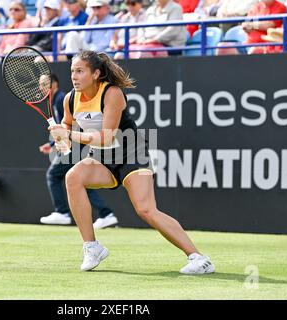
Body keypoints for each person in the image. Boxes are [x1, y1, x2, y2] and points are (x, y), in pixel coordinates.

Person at [48, 50, 215, 274]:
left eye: (80, 71)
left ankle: (199, 258)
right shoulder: (71, 99)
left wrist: (71, 136)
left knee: (146, 210)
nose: (74, 76)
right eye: (72, 72)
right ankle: (92, 247)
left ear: (96, 73)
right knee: (73, 177)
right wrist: (62, 136)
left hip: (133, 155)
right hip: (101, 159)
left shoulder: (112, 93)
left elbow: (107, 136)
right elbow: (68, 125)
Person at [39, 73, 119, 229]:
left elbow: (72, 125)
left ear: (54, 84)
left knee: (53, 175)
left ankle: (62, 212)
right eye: (40, 84)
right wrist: (53, 143)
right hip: (77, 143)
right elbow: (65, 127)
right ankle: (106, 213)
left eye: (44, 84)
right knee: (79, 181)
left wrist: (67, 140)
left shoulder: (63, 98)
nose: (41, 88)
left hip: (77, 145)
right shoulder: (57, 99)